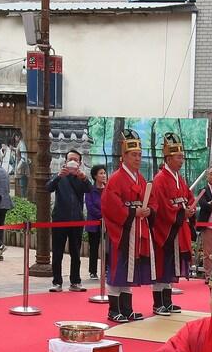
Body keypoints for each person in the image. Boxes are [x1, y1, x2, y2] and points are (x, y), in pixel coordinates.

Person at [101, 128, 152, 322]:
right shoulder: (115, 179)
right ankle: (114, 309)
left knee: (130, 269)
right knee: (118, 268)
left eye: (139, 155)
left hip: (135, 230)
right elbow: (110, 205)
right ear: (124, 156)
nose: (138, 159)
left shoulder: (140, 178)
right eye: (134, 155)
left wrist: (148, 211)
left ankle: (127, 308)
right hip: (121, 231)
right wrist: (132, 212)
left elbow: (151, 200)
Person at [149, 132, 195, 311]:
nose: (182, 161)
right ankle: (158, 303)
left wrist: (189, 210)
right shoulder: (160, 179)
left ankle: (167, 301)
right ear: (168, 158)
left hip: (176, 228)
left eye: (182, 157)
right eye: (178, 157)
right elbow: (162, 206)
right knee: (162, 265)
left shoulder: (179, 179)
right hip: (165, 229)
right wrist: (182, 212)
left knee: (170, 266)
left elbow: (188, 197)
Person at [46, 152, 91, 292]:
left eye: (75, 160)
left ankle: (75, 281)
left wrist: (83, 178)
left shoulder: (81, 177)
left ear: (80, 163)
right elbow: (48, 188)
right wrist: (59, 176)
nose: (72, 162)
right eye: (70, 159)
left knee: (75, 253)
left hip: (77, 219)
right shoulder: (60, 176)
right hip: (60, 218)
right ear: (65, 162)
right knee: (57, 252)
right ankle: (57, 282)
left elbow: (90, 190)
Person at [85, 163, 108, 279]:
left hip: (107, 223)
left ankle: (107, 269)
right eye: (101, 173)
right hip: (94, 223)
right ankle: (93, 271)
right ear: (95, 176)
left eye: (104, 173)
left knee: (108, 247)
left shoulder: (109, 189)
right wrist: (101, 216)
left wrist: (106, 216)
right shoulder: (90, 190)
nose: (103, 175)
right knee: (94, 247)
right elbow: (90, 206)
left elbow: (112, 204)